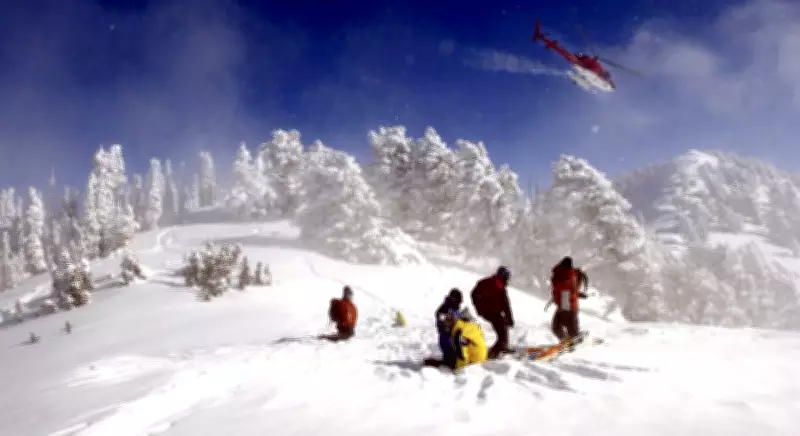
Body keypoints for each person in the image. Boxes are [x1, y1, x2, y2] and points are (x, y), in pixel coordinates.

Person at [470, 266, 515, 359]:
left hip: (492, 312)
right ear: (503, 276)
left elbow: (505, 305)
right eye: (507, 277)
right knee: (502, 333)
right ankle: (492, 354)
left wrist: (480, 309)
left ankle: (503, 346)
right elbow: (505, 305)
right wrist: (480, 308)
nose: (508, 280)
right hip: (491, 313)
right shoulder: (493, 285)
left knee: (503, 325)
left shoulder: (492, 283)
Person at [548, 257, 588, 343]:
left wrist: (577, 293)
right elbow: (567, 289)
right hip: (565, 304)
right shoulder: (569, 274)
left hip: (567, 305)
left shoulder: (567, 275)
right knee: (559, 327)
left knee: (560, 328)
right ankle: (568, 341)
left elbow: (564, 287)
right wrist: (578, 293)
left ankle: (573, 342)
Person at [435, 288, 463, 369]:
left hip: (457, 339)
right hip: (447, 340)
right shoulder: (444, 309)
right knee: (451, 362)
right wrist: (446, 325)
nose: (459, 303)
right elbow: (443, 324)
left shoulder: (455, 309)